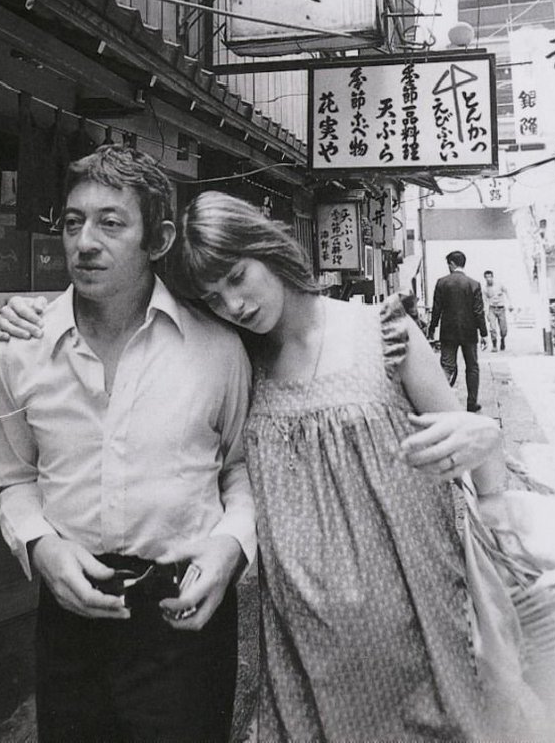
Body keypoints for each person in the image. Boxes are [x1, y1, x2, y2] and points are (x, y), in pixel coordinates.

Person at [178, 192, 506, 742]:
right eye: (213, 298)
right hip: (304, 647)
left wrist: (489, 453)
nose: (233, 305)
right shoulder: (238, 365)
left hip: (419, 625)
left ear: (265, 247)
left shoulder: (385, 332)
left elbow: (476, 457)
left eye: (237, 277)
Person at [0, 146, 255, 743]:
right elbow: (14, 477)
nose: (86, 241)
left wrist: (232, 547)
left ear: (157, 240)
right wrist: (39, 549)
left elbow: (239, 469)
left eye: (111, 223)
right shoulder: (17, 348)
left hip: (184, 611)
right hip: (70, 608)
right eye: (74, 221)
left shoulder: (216, 347)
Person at [428, 250, 488, 412]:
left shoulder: (442, 282)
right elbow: (478, 312)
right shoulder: (474, 284)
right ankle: (471, 403)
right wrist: (483, 333)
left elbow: (436, 309)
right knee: (472, 366)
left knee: (447, 367)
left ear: (452, 264)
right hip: (469, 332)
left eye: (448, 264)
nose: (448, 267)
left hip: (448, 332)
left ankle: (440, 403)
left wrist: (432, 327)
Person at [482, 269, 514, 351]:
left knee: (503, 329)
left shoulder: (499, 285)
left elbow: (507, 292)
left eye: (490, 277)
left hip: (501, 308)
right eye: (487, 277)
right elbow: (485, 301)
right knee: (492, 327)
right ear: (485, 278)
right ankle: (494, 345)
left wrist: (510, 303)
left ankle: (502, 339)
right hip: (492, 308)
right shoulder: (485, 289)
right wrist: (487, 313)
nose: (489, 279)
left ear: (492, 277)